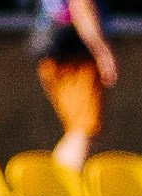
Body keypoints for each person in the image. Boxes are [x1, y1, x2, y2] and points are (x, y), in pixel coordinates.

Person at [33, 0, 117, 174]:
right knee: (83, 130)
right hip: (75, 56)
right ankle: (59, 185)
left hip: (55, 51)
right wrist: (102, 52)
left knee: (78, 130)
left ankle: (57, 182)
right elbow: (81, 6)